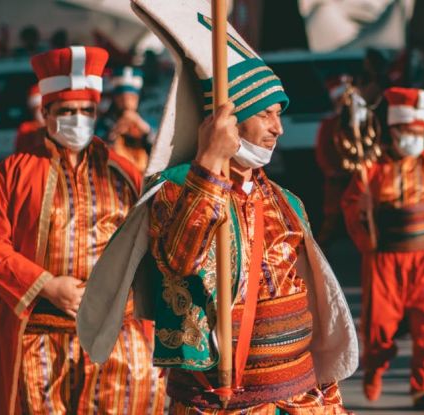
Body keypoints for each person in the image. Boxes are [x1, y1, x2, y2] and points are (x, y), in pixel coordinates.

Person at [76, 2, 358, 412]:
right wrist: (208, 165)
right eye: (265, 114)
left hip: (299, 398)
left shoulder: (286, 201)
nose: (278, 128)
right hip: (220, 403)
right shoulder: (175, 189)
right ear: (230, 120)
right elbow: (178, 260)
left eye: (279, 114)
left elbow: (314, 301)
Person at [0, 46, 164, 415]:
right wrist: (47, 285)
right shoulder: (14, 171)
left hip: (113, 333)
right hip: (39, 334)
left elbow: (149, 241)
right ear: (45, 113)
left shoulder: (124, 172)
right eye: (66, 111)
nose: (77, 120)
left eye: (86, 111)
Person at [342, 87, 424, 409]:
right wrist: (361, 208)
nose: (415, 139)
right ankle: (375, 366)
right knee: (378, 328)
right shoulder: (372, 166)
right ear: (395, 130)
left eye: (420, 133)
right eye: (410, 132)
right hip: (386, 259)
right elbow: (350, 204)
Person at [314, 74, 353, 245]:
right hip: (337, 178)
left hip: (354, 176)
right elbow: (322, 151)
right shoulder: (329, 123)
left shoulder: (356, 122)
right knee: (332, 216)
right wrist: (331, 170)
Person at [95, 66, 152, 174]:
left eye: (132, 98)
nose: (127, 102)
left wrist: (142, 127)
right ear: (115, 99)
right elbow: (98, 150)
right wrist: (116, 130)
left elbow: (159, 148)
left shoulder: (148, 120)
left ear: (138, 98)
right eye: (122, 98)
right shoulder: (105, 123)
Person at [13, 84, 45, 153]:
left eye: (41, 108)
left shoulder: (54, 126)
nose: (39, 112)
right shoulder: (25, 128)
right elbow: (20, 151)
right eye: (36, 109)